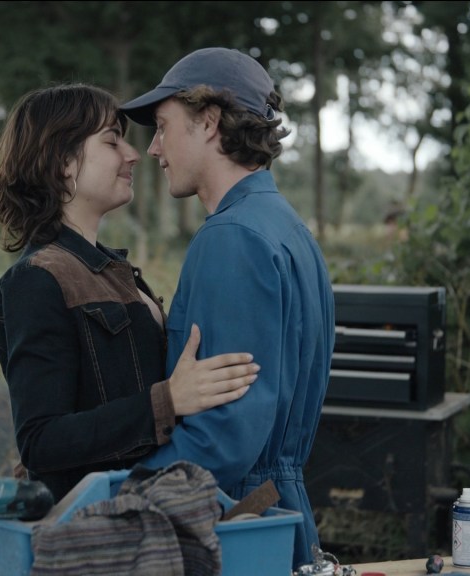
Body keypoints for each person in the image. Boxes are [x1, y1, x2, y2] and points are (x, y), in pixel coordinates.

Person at [0, 83, 261, 503]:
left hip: (149, 509)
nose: (133, 154)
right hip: (95, 525)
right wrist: (168, 401)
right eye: (112, 141)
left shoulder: (113, 271)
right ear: (62, 160)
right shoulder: (37, 280)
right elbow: (41, 441)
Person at [120, 47, 336, 569]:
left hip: (232, 525)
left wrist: (128, 491)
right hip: (275, 514)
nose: (153, 148)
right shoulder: (285, 226)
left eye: (163, 126)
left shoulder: (233, 238)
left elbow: (225, 435)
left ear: (209, 122)